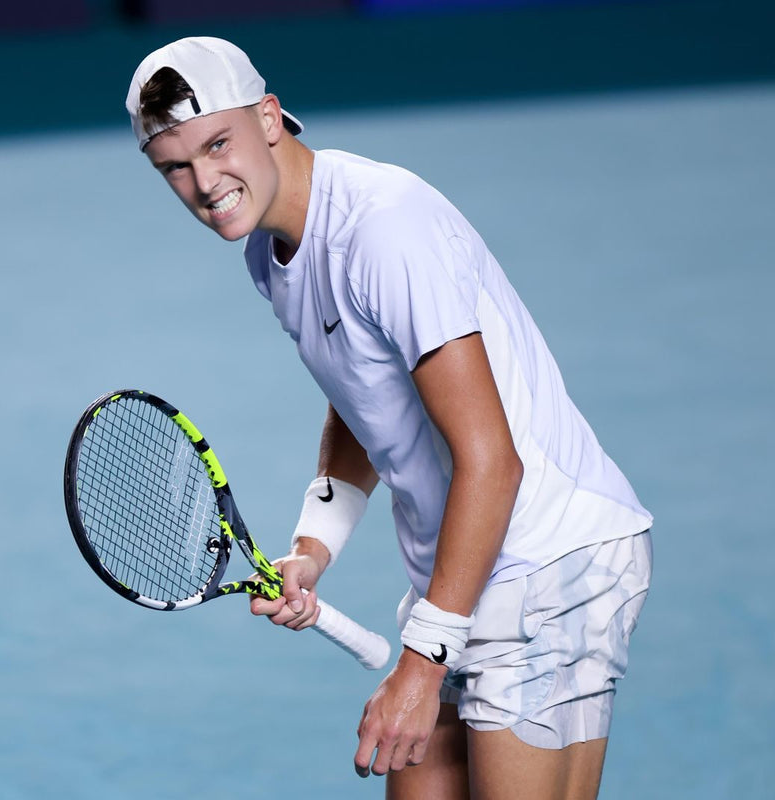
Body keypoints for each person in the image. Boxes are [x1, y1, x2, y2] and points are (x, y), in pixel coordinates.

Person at [125, 36, 653, 800]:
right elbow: (365, 395)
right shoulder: (269, 251)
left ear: (270, 118)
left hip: (550, 561)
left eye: (218, 145)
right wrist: (314, 546)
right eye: (174, 166)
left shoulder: (385, 224)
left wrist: (422, 659)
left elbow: (493, 461)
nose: (205, 182)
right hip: (466, 566)